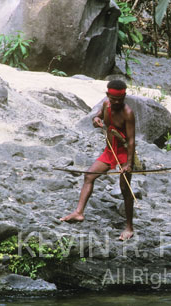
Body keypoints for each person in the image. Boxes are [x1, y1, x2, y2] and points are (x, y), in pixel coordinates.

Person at [60, 80, 136, 241]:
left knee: (125, 187)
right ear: (108, 95)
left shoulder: (128, 113)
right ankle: (79, 213)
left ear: (124, 97)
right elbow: (98, 116)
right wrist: (96, 119)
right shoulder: (106, 104)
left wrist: (129, 164)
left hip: (124, 153)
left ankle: (129, 227)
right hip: (109, 151)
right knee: (89, 176)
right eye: (113, 99)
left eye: (119, 100)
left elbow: (131, 140)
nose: (116, 103)